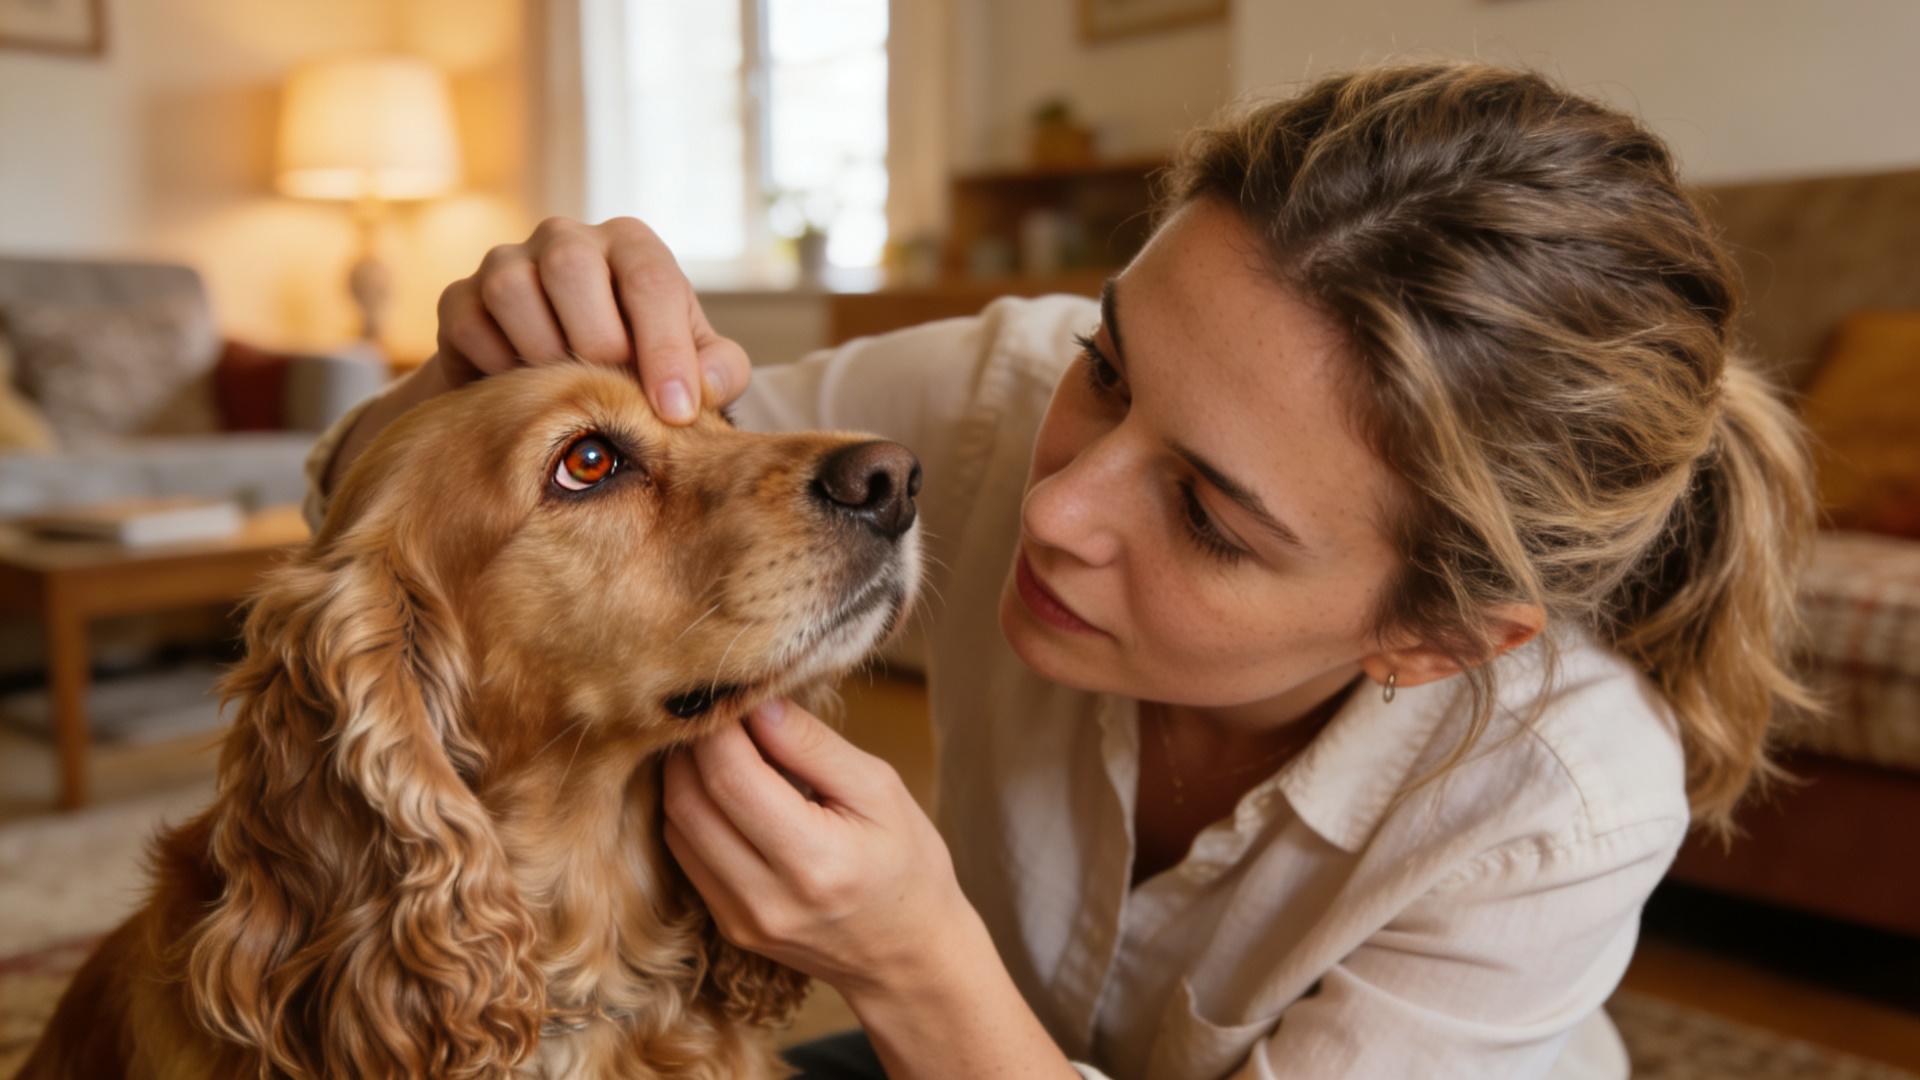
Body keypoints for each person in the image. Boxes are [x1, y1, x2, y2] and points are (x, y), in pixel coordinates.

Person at [301, 61, 1816, 1079]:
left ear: (1433, 638)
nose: (1064, 503)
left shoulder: (1560, 800)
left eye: (1210, 517)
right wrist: (468, 371)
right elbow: (408, 516)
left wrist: (910, 959)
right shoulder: (997, 396)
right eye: (1109, 366)